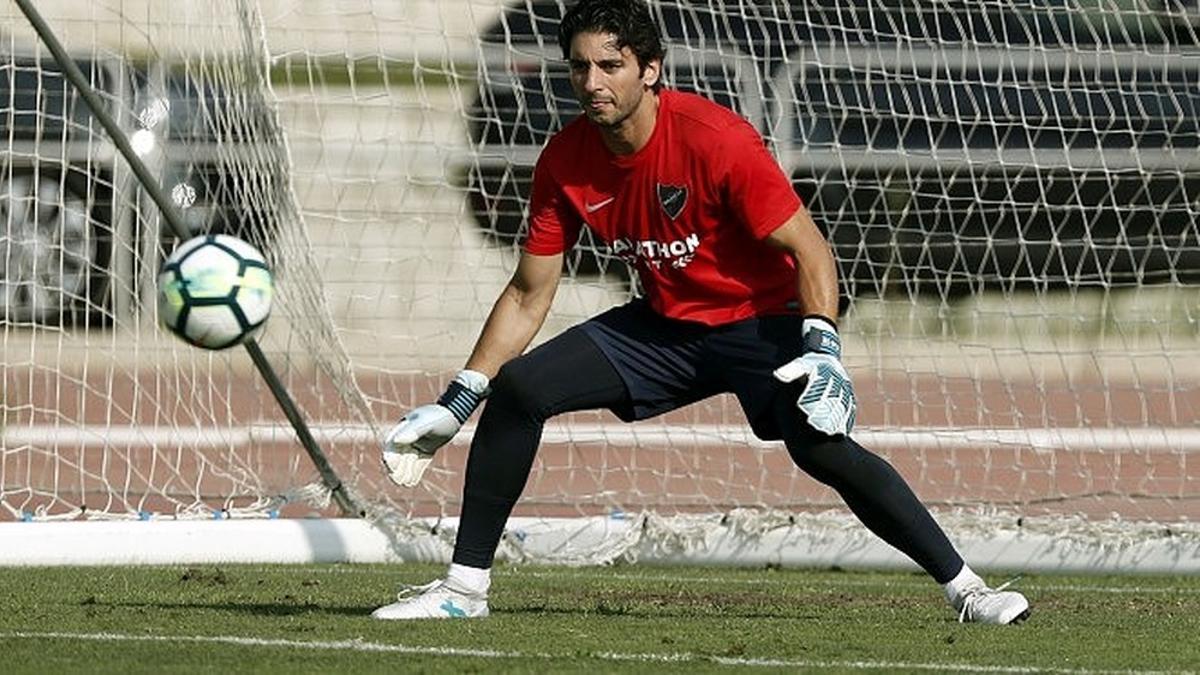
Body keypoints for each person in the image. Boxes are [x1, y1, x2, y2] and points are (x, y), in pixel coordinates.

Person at [373, 0, 1030, 625]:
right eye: (579, 66)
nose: (592, 81)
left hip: (761, 320)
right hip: (664, 326)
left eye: (610, 65)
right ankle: (463, 589)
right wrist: (458, 400)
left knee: (819, 446)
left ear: (649, 69)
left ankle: (968, 589)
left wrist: (823, 346)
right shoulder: (564, 160)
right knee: (519, 389)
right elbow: (526, 293)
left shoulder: (716, 138)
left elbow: (809, 247)